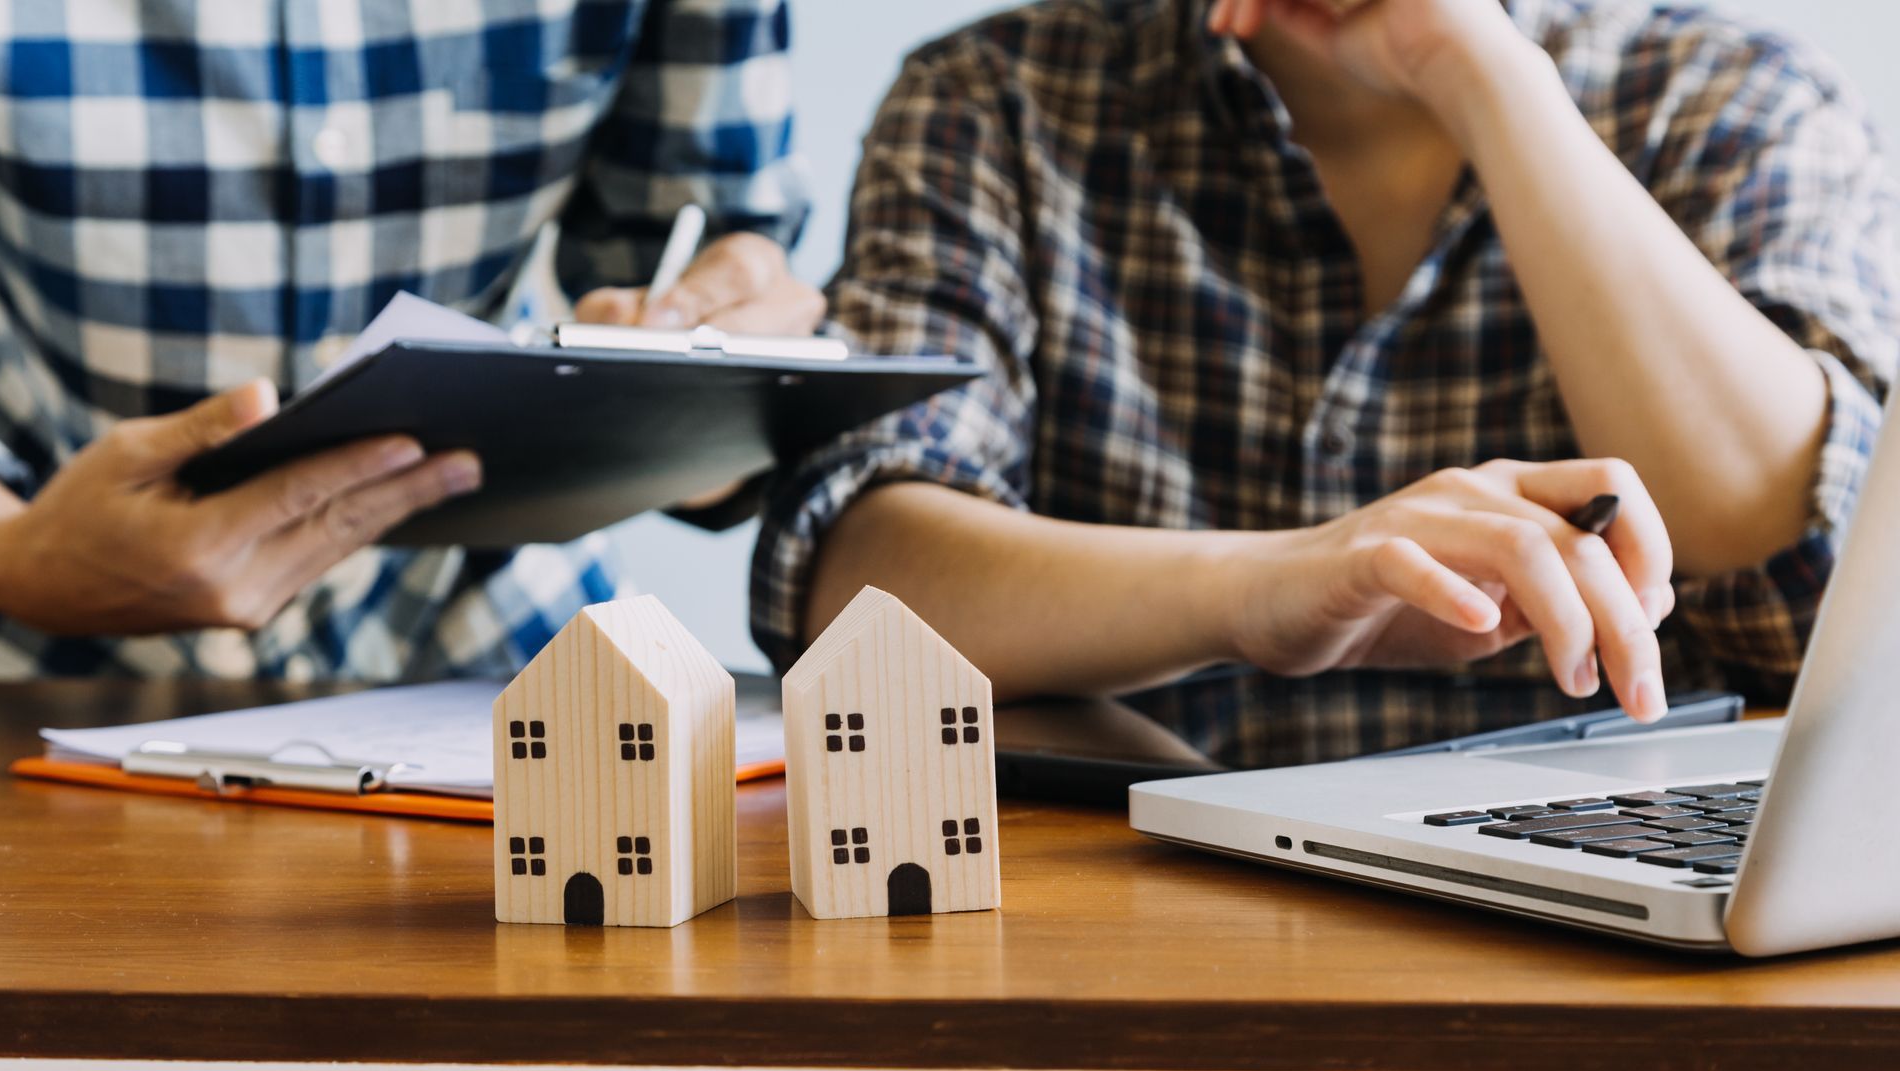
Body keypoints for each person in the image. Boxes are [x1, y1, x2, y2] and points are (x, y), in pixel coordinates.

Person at [751, 0, 1897, 766]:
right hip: (1133, 930)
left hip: (1609, 937)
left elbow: (1817, 582)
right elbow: (858, 583)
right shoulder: (992, 97)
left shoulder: (1730, 98)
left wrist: (1485, 75)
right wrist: (1267, 589)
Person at [0, 1, 820, 679]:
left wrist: (703, 378)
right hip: (33, 642)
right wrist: (16, 557)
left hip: (490, 629)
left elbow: (697, 268)